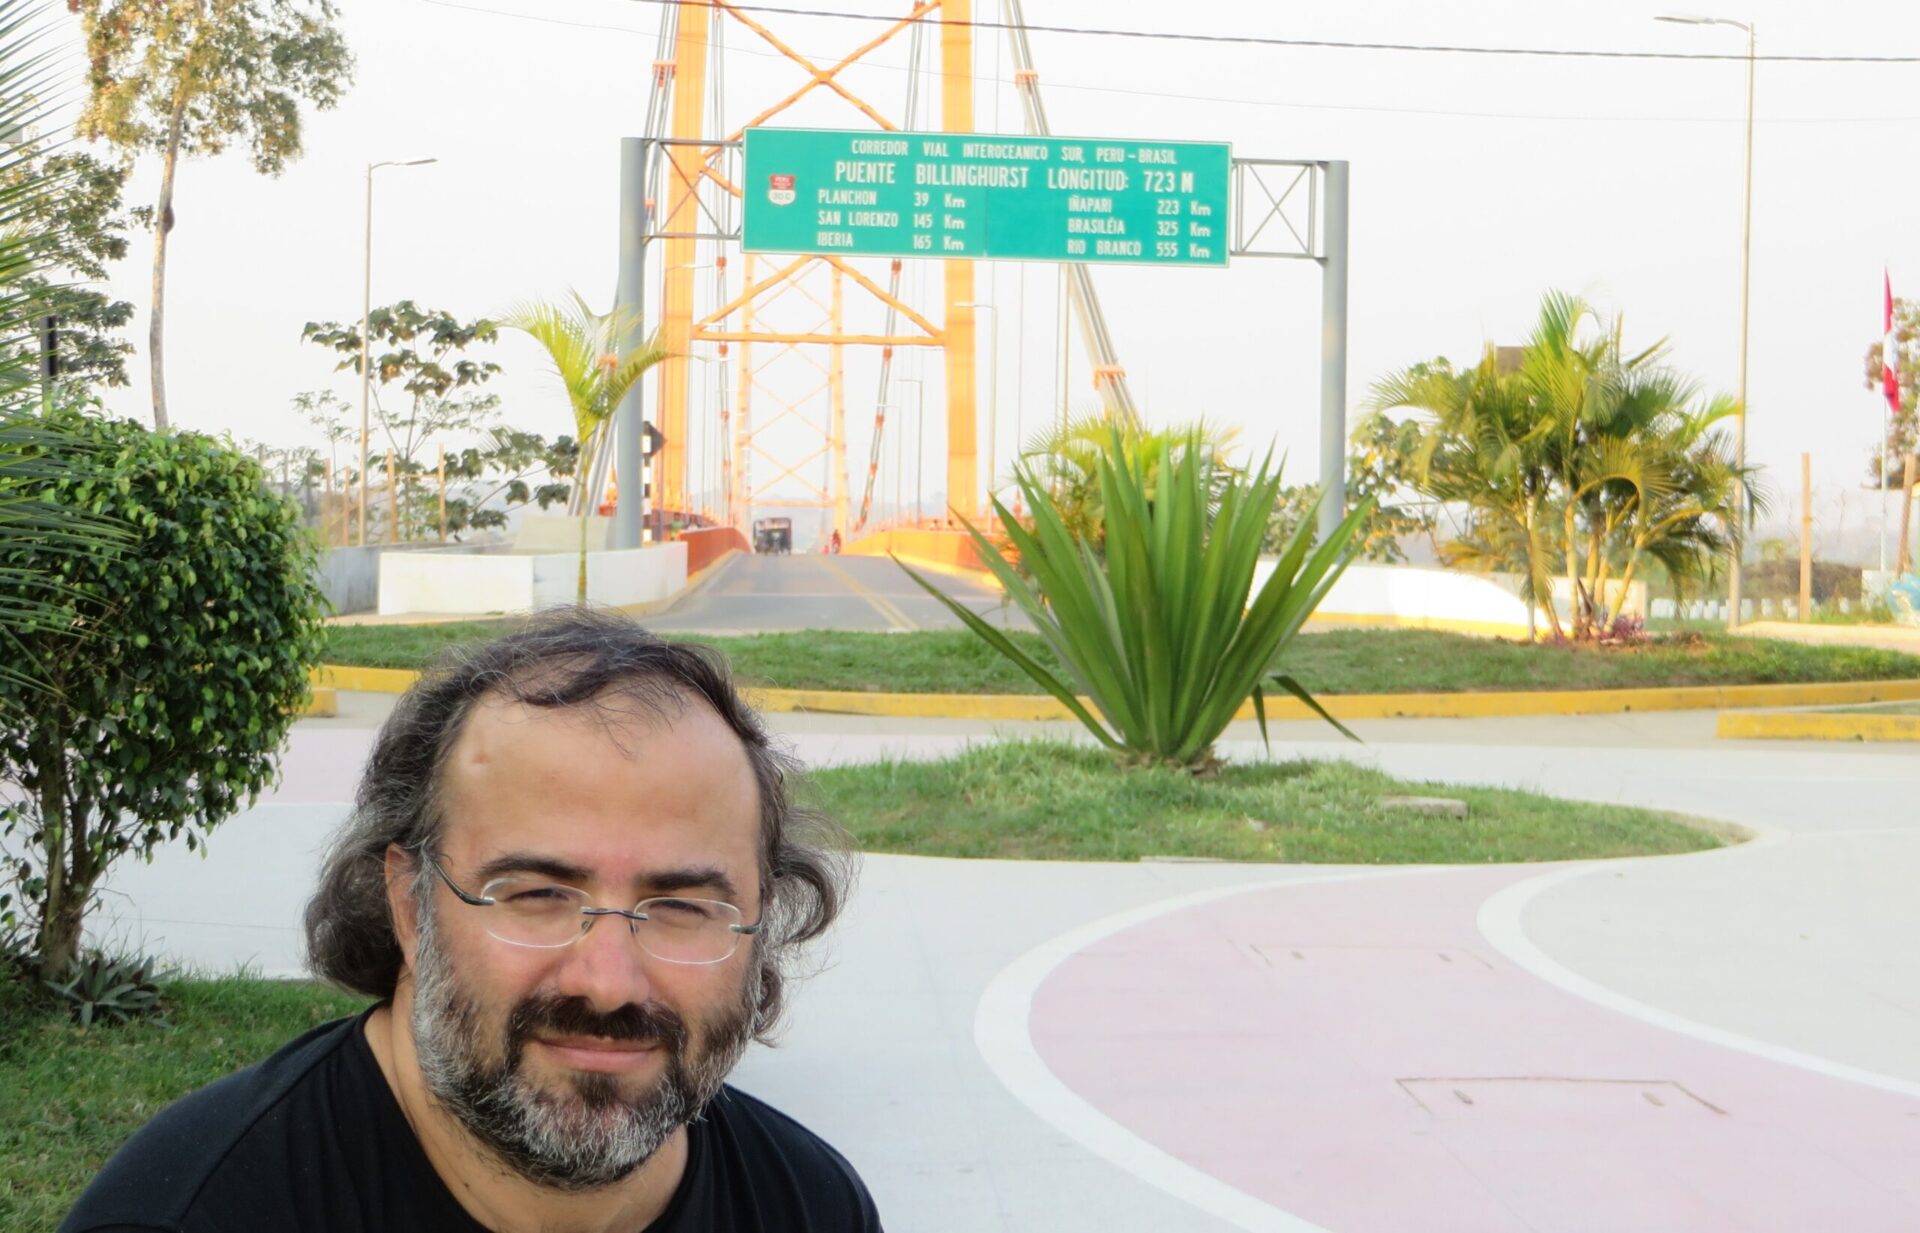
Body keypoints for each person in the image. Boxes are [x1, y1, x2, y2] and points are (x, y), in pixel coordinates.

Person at [62, 609, 877, 1233]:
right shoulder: (189, 1214)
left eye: (682, 907)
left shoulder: (810, 1205)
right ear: (410, 906)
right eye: (535, 893)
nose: (607, 980)